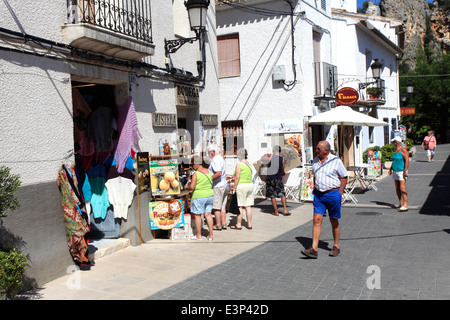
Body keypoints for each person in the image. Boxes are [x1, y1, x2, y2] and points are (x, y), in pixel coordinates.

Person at [301, 141, 348, 259]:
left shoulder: (335, 161)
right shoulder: (316, 160)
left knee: (333, 220)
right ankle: (314, 249)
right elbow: (315, 175)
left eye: (318, 149)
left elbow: (344, 177)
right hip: (318, 195)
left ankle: (336, 246)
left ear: (326, 151)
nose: (316, 151)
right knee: (317, 219)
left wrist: (339, 193)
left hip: (332, 194)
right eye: (316, 148)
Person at [184, 155, 214, 241]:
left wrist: (186, 187)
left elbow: (192, 187)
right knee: (208, 215)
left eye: (193, 164)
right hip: (210, 195)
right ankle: (211, 235)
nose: (192, 166)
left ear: (197, 164)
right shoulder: (209, 172)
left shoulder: (196, 174)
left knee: (197, 216)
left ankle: (198, 235)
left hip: (198, 196)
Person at [262, 145, 289, 216]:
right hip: (278, 178)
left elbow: (262, 161)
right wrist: (283, 174)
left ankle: (276, 212)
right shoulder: (283, 159)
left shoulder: (269, 156)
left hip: (270, 178)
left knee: (272, 195)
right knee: (282, 194)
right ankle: (285, 210)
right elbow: (282, 169)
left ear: (274, 150)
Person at [231, 148, 254, 230]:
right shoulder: (249, 164)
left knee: (240, 206)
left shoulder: (239, 164)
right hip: (250, 185)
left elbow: (237, 176)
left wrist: (235, 186)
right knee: (248, 206)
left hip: (242, 185)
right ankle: (249, 224)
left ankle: (239, 224)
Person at [207, 144, 228, 230]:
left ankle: (218, 224)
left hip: (217, 185)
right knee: (222, 206)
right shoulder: (221, 158)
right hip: (223, 184)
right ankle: (223, 223)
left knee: (216, 206)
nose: (208, 154)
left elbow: (218, 172)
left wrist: (210, 180)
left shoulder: (215, 160)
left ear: (213, 152)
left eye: (209, 152)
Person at [389, 136, 409, 212]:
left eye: (393, 142)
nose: (392, 143)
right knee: (397, 188)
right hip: (395, 171)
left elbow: (407, 160)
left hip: (401, 171)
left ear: (396, 142)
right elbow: (394, 161)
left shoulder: (403, 150)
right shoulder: (396, 150)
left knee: (402, 188)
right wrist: (390, 169)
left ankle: (406, 204)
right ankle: (401, 203)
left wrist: (405, 170)